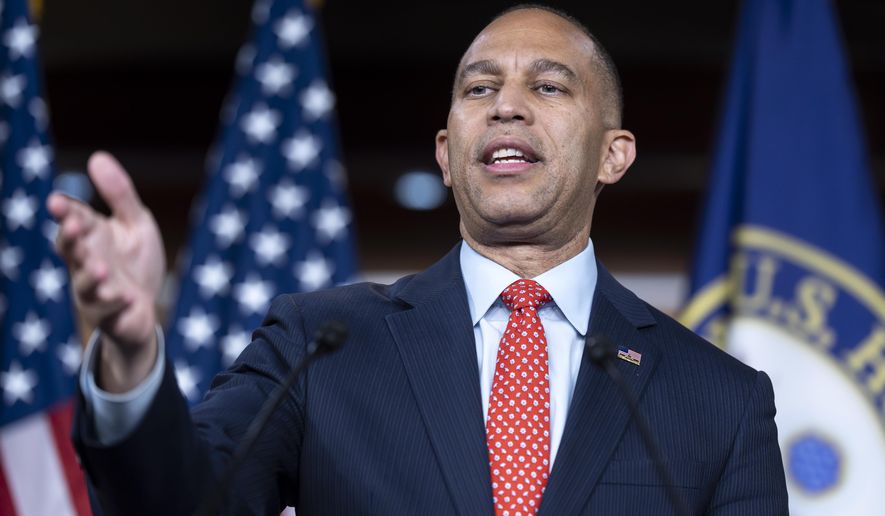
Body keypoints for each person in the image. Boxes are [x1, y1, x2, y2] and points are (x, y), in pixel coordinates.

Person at [50, 5, 788, 515]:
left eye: (548, 85)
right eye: (479, 88)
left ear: (613, 154)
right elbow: (181, 503)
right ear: (445, 152)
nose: (506, 105)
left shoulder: (719, 399)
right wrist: (132, 352)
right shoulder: (320, 345)